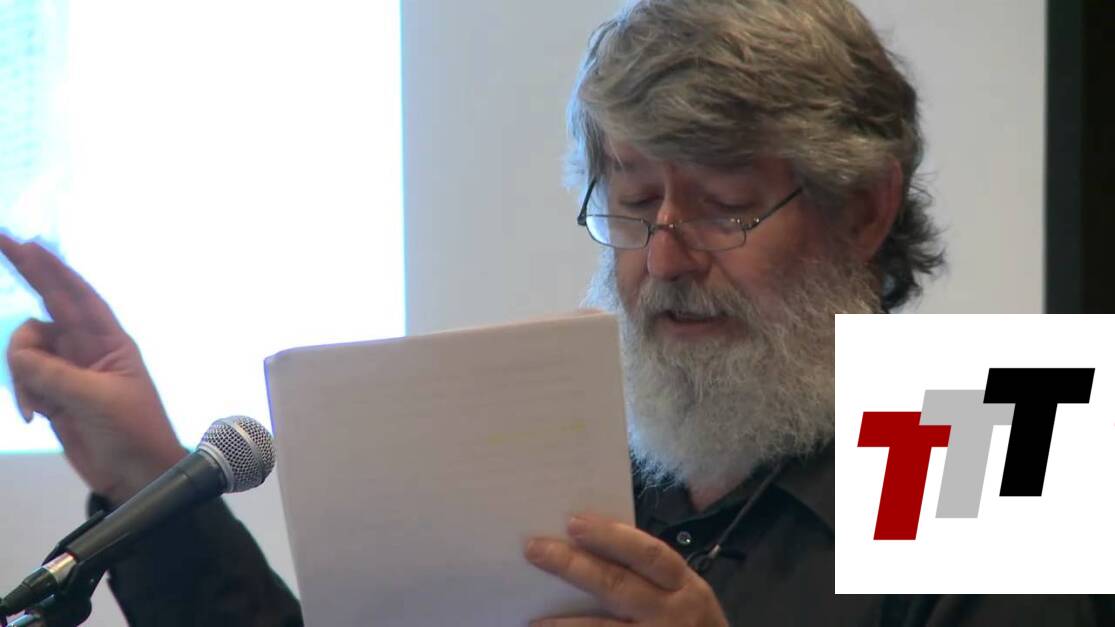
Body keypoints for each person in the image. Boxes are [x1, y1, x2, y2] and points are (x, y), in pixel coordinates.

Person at [1, 0, 1110, 625]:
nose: (661, 255)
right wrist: (145, 474)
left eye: (723, 201)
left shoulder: (992, 435)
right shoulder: (579, 447)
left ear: (863, 207)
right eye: (631, 200)